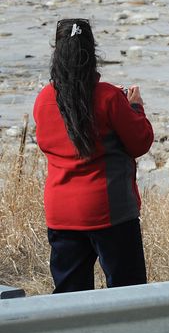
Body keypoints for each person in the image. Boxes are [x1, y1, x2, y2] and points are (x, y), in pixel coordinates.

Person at [33, 18, 154, 293]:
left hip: (61, 211)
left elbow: (45, 142)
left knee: (69, 296)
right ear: (92, 52)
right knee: (128, 293)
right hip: (109, 211)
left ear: (57, 52)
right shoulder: (108, 97)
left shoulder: (43, 99)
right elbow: (140, 142)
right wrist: (135, 108)